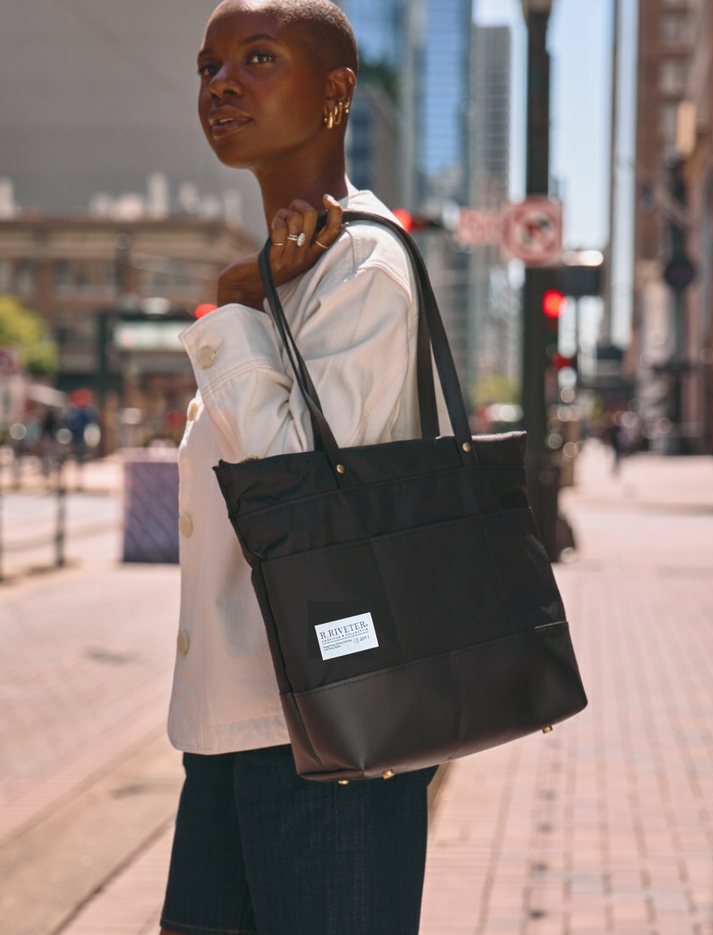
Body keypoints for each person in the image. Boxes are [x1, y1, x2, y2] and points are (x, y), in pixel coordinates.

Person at [160, 2, 437, 933]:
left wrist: (234, 307)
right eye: (208, 65)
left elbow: (295, 494)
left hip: (333, 738)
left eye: (257, 58)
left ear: (338, 91)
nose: (220, 83)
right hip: (238, 730)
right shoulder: (287, 266)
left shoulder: (363, 265)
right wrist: (251, 289)